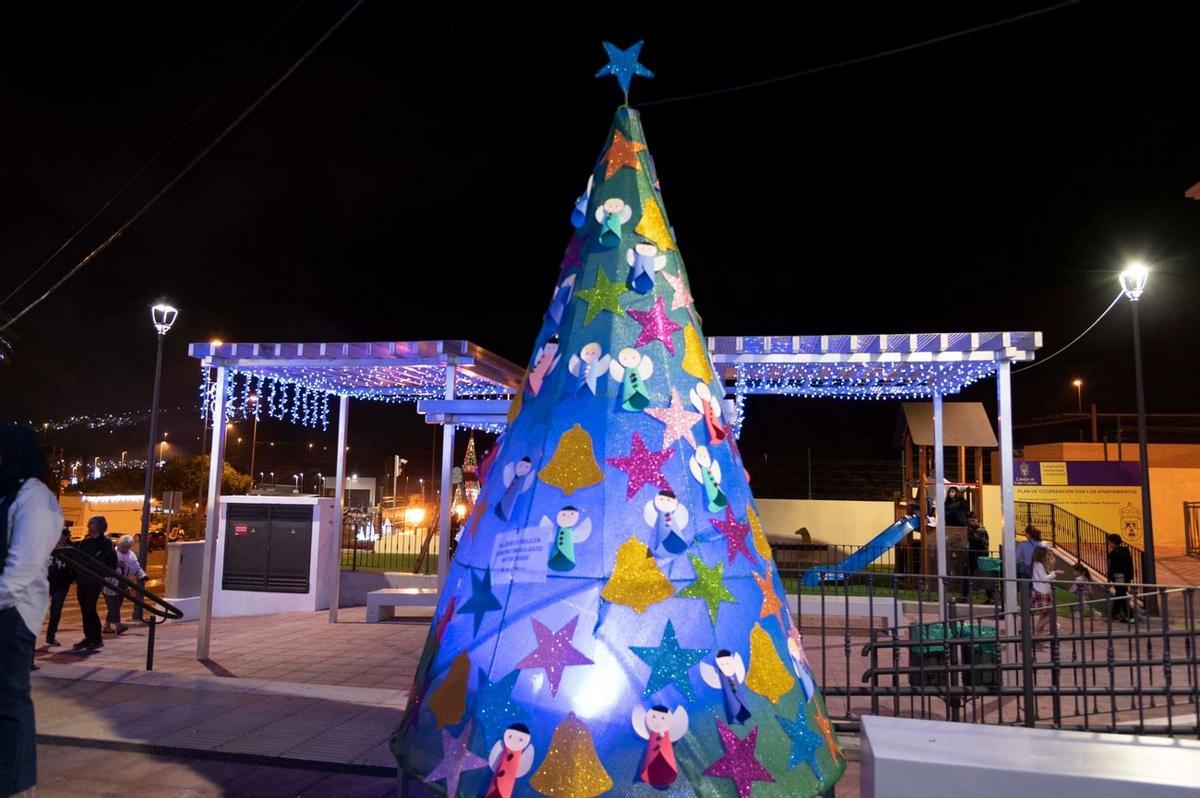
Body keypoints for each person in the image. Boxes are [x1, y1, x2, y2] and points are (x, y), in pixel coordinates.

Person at [0, 424, 62, 796]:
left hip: (13, 615)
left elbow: (21, 573)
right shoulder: (7, 494)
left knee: (10, 701)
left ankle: (17, 785)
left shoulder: (35, 499)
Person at [74, 516, 116, 650]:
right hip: (83, 579)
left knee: (89, 607)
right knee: (84, 608)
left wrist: (102, 573)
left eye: (91, 523)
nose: (88, 525)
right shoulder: (85, 542)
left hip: (94, 579)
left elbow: (110, 561)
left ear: (99, 526)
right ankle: (88, 637)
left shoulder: (105, 543)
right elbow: (77, 557)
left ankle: (96, 638)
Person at [103, 535, 145, 634]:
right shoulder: (112, 553)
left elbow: (136, 566)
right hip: (111, 582)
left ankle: (106, 625)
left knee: (116, 605)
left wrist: (142, 575)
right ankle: (118, 626)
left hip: (124, 582)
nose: (124, 548)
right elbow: (104, 565)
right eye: (122, 546)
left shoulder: (131, 555)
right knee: (113, 605)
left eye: (126, 546)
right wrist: (114, 565)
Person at [45, 528, 75, 647]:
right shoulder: (48, 547)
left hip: (61, 584)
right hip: (46, 583)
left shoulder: (70, 550)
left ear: (66, 536)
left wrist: (68, 580)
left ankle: (51, 636)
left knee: (56, 611)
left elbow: (75, 567)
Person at [1031, 545, 1062, 641]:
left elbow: (1046, 577)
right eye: (1046, 554)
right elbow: (1044, 579)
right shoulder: (1038, 565)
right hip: (1041, 591)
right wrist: (1055, 573)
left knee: (1044, 615)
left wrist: (1053, 570)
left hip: (1043, 591)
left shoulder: (1039, 565)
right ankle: (1035, 633)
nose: (1047, 556)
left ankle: (1038, 636)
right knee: (1050, 613)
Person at [962, 512, 993, 604]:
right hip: (973, 555)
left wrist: (970, 530)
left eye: (973, 520)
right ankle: (965, 596)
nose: (972, 522)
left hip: (981, 556)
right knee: (967, 575)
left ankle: (991, 598)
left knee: (985, 577)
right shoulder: (971, 529)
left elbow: (977, 541)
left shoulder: (981, 530)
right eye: (970, 520)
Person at [1106, 533, 1134, 622]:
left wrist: (1110, 577)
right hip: (1125, 577)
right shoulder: (1125, 552)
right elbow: (1129, 566)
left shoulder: (1115, 553)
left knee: (1120, 595)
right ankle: (1114, 614)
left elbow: (1112, 566)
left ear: (1113, 542)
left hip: (1119, 577)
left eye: (1109, 542)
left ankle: (1130, 616)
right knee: (1120, 594)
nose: (1109, 544)